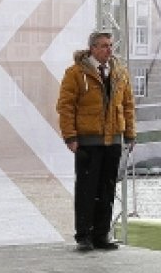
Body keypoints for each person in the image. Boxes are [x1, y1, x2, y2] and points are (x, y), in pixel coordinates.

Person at [56, 31, 136, 251]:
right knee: (87, 189)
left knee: (108, 189)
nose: (108, 50)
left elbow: (128, 105)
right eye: (103, 45)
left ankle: (102, 235)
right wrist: (70, 136)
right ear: (92, 48)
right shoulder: (75, 73)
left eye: (110, 45)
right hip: (88, 141)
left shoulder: (120, 73)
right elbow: (66, 106)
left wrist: (129, 133)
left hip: (113, 140)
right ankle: (84, 235)